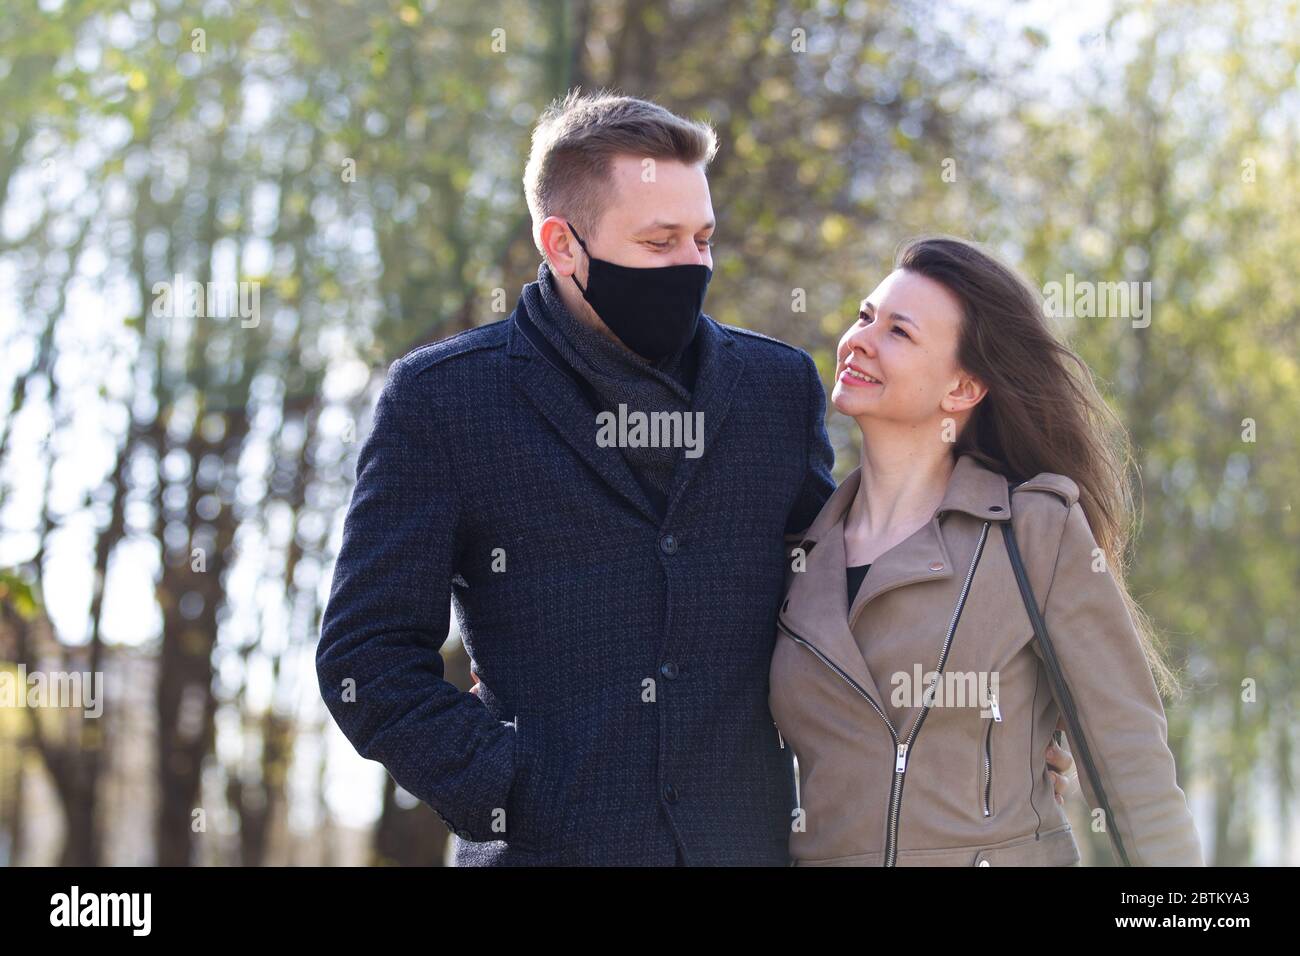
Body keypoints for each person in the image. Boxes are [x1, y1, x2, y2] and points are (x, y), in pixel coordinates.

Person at [316, 91, 1074, 866]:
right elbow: (363, 658)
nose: (691, 265)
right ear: (562, 244)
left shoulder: (776, 388)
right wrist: (509, 787)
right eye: (660, 241)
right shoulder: (444, 399)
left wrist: (1001, 707)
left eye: (703, 239)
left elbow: (836, 600)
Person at [769, 235, 1204, 866]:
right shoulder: (796, 554)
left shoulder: (1036, 532)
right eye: (865, 317)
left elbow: (1130, 758)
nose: (859, 339)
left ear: (963, 390)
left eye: (899, 332)